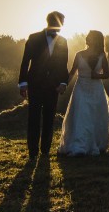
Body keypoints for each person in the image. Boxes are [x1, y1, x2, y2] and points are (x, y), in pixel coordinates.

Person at [18, 11, 72, 160]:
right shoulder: (34, 38)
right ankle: (33, 152)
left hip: (53, 86)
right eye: (61, 22)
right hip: (35, 84)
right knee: (33, 118)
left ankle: (45, 151)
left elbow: (63, 64)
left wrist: (63, 82)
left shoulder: (63, 41)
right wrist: (23, 83)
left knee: (49, 118)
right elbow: (25, 61)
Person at [57, 29, 109, 156]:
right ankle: (79, 144)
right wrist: (64, 85)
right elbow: (72, 72)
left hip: (96, 89)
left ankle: (97, 144)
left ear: (96, 40)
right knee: (81, 115)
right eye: (87, 36)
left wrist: (96, 76)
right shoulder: (79, 54)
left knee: (95, 116)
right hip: (80, 88)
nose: (86, 38)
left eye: (90, 36)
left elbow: (107, 75)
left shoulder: (102, 56)